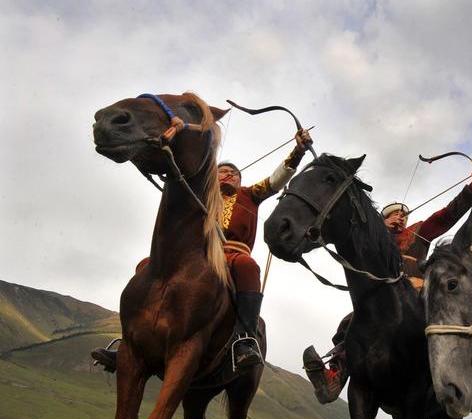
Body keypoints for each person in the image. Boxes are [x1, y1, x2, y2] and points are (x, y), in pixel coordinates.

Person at [91, 129, 314, 372]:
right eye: (223, 172)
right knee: (146, 264)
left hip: (232, 254)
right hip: (194, 253)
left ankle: (245, 339)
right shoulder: (200, 196)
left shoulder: (250, 194)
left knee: (248, 267)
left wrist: (298, 151)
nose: (229, 175)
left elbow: (276, 179)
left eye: (234, 174)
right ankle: (128, 343)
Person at [303, 166, 472, 403]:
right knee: (349, 323)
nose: (400, 218)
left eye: (403, 216)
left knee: (447, 324)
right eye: (393, 215)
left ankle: (466, 373)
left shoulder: (418, 233)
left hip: (419, 297)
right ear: (381, 218)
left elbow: (446, 216)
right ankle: (335, 376)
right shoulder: (371, 241)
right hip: (382, 303)